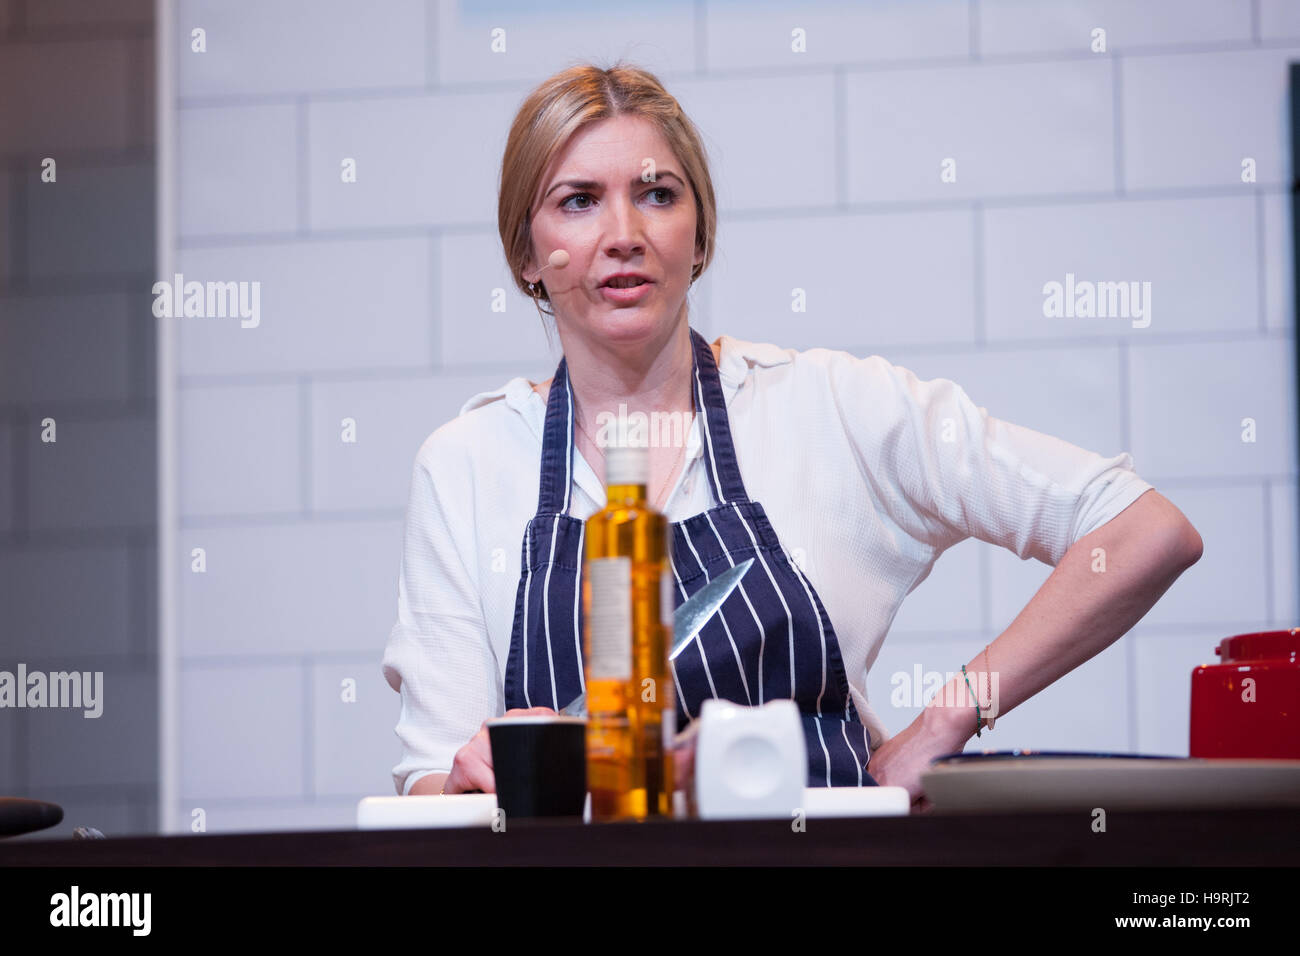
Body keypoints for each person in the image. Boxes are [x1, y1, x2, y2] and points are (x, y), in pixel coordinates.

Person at [381, 62, 1203, 810]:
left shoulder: (831, 407)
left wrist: (947, 721)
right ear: (528, 252)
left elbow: (1142, 530)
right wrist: (467, 777)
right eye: (578, 200)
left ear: (698, 237)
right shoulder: (468, 466)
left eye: (658, 193)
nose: (623, 231)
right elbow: (428, 786)